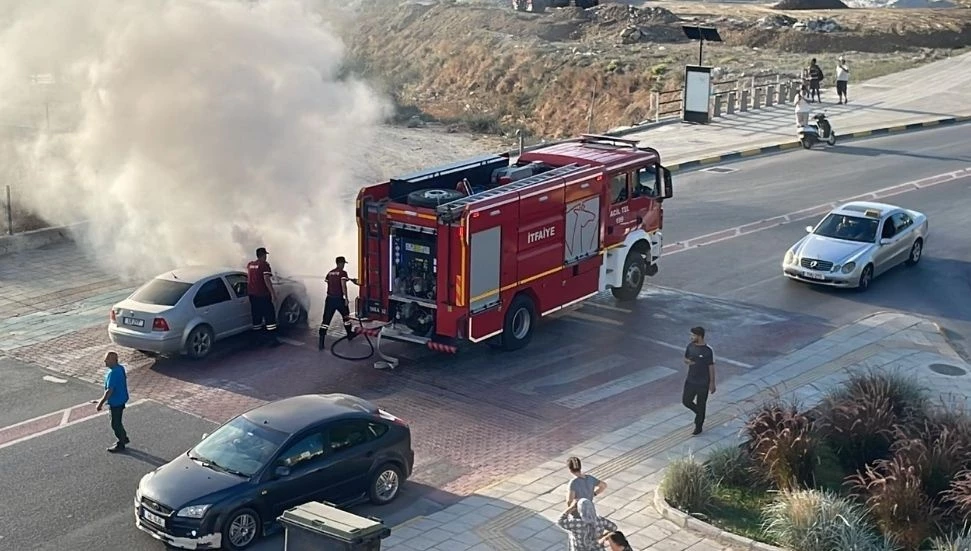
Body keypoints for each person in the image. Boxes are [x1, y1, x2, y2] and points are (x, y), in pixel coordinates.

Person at [318, 256, 359, 350]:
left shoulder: (330, 273)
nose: (344, 265)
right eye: (343, 263)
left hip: (329, 299)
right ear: (340, 263)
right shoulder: (343, 273)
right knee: (346, 317)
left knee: (326, 321)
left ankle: (321, 342)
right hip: (339, 299)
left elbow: (329, 283)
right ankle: (349, 334)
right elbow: (343, 286)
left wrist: (349, 279)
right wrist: (346, 298)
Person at [682, 326, 716, 435]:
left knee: (701, 403)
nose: (691, 337)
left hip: (703, 383)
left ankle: (698, 426)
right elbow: (686, 358)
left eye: (693, 335)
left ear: (699, 336)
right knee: (686, 401)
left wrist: (712, 382)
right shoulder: (690, 346)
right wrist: (688, 362)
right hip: (690, 380)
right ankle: (700, 413)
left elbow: (711, 366)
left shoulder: (708, 350)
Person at [246, 247, 281, 347]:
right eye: (265, 255)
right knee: (270, 318)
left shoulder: (250, 265)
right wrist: (273, 293)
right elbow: (266, 279)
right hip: (263, 295)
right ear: (264, 255)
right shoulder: (264, 265)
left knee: (256, 317)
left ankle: (258, 340)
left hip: (252, 295)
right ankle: (272, 340)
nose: (266, 257)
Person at [96, 351, 130, 453]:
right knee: (117, 421)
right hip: (122, 398)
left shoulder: (113, 373)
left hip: (116, 402)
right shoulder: (120, 368)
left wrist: (100, 403)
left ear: (113, 360)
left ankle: (121, 442)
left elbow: (109, 391)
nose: (105, 361)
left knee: (115, 423)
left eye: (107, 359)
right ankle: (124, 437)